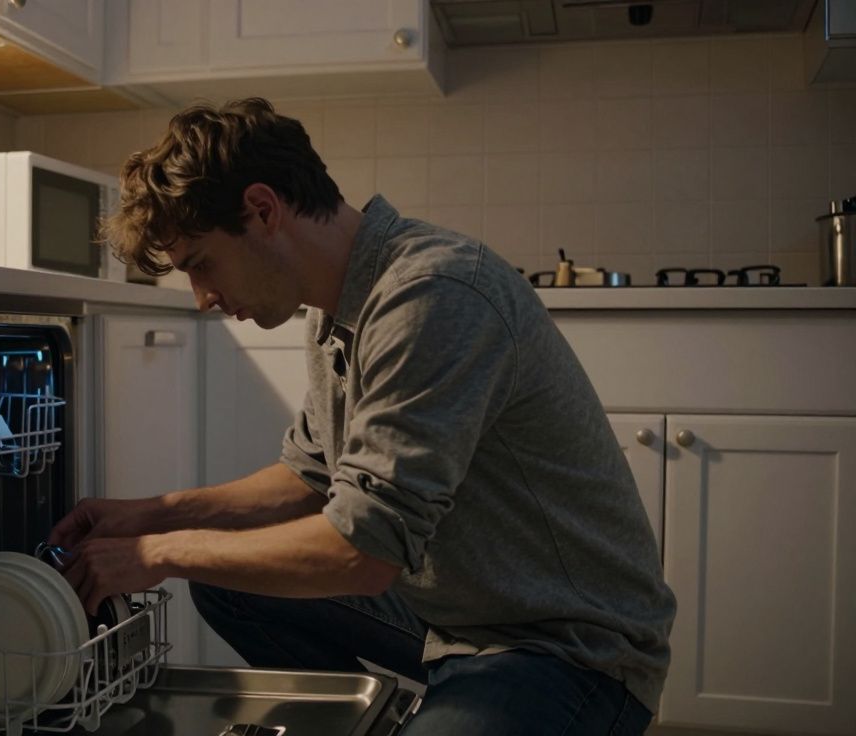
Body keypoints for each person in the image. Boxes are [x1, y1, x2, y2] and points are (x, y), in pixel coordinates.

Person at [49, 97, 676, 735]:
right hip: (454, 616)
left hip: (566, 645)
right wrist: (155, 513)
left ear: (263, 211)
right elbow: (310, 478)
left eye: (201, 264)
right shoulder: (335, 309)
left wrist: (161, 551)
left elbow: (363, 554)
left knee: (205, 562)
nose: (204, 297)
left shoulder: (434, 294)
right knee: (226, 582)